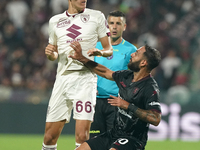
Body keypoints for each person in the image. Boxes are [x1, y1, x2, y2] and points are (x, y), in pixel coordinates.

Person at [42, 0, 113, 149]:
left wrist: (100, 52)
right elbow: (54, 53)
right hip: (62, 79)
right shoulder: (55, 21)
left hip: (85, 79)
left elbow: (109, 49)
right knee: (49, 137)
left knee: (82, 136)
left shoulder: (97, 16)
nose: (84, 0)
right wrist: (50, 54)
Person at [69, 41, 162, 150]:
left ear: (143, 63)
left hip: (133, 140)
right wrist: (82, 58)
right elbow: (104, 72)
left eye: (136, 53)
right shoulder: (125, 76)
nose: (132, 54)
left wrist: (128, 106)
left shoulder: (150, 88)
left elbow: (156, 118)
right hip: (113, 134)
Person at [90, 10, 137, 138]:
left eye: (118, 23)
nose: (114, 27)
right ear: (106, 26)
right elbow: (88, 71)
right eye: (111, 23)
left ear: (124, 27)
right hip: (95, 102)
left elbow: (136, 77)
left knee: (115, 141)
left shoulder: (131, 50)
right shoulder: (95, 46)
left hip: (116, 103)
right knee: (94, 141)